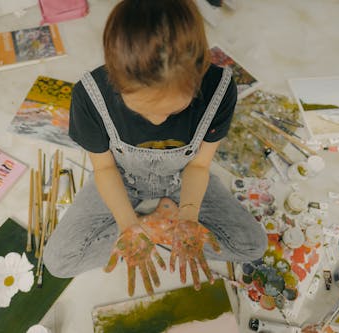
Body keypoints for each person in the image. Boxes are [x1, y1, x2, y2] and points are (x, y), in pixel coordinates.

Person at [43, 0, 267, 296]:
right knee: (58, 261)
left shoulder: (220, 88)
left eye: (171, 109)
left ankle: (166, 223)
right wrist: (129, 226)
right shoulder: (90, 95)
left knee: (252, 245)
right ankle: (156, 225)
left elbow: (199, 166)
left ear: (198, 74)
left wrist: (187, 218)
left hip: (183, 178)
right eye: (143, 109)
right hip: (121, 177)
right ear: (115, 77)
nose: (158, 119)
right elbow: (105, 167)